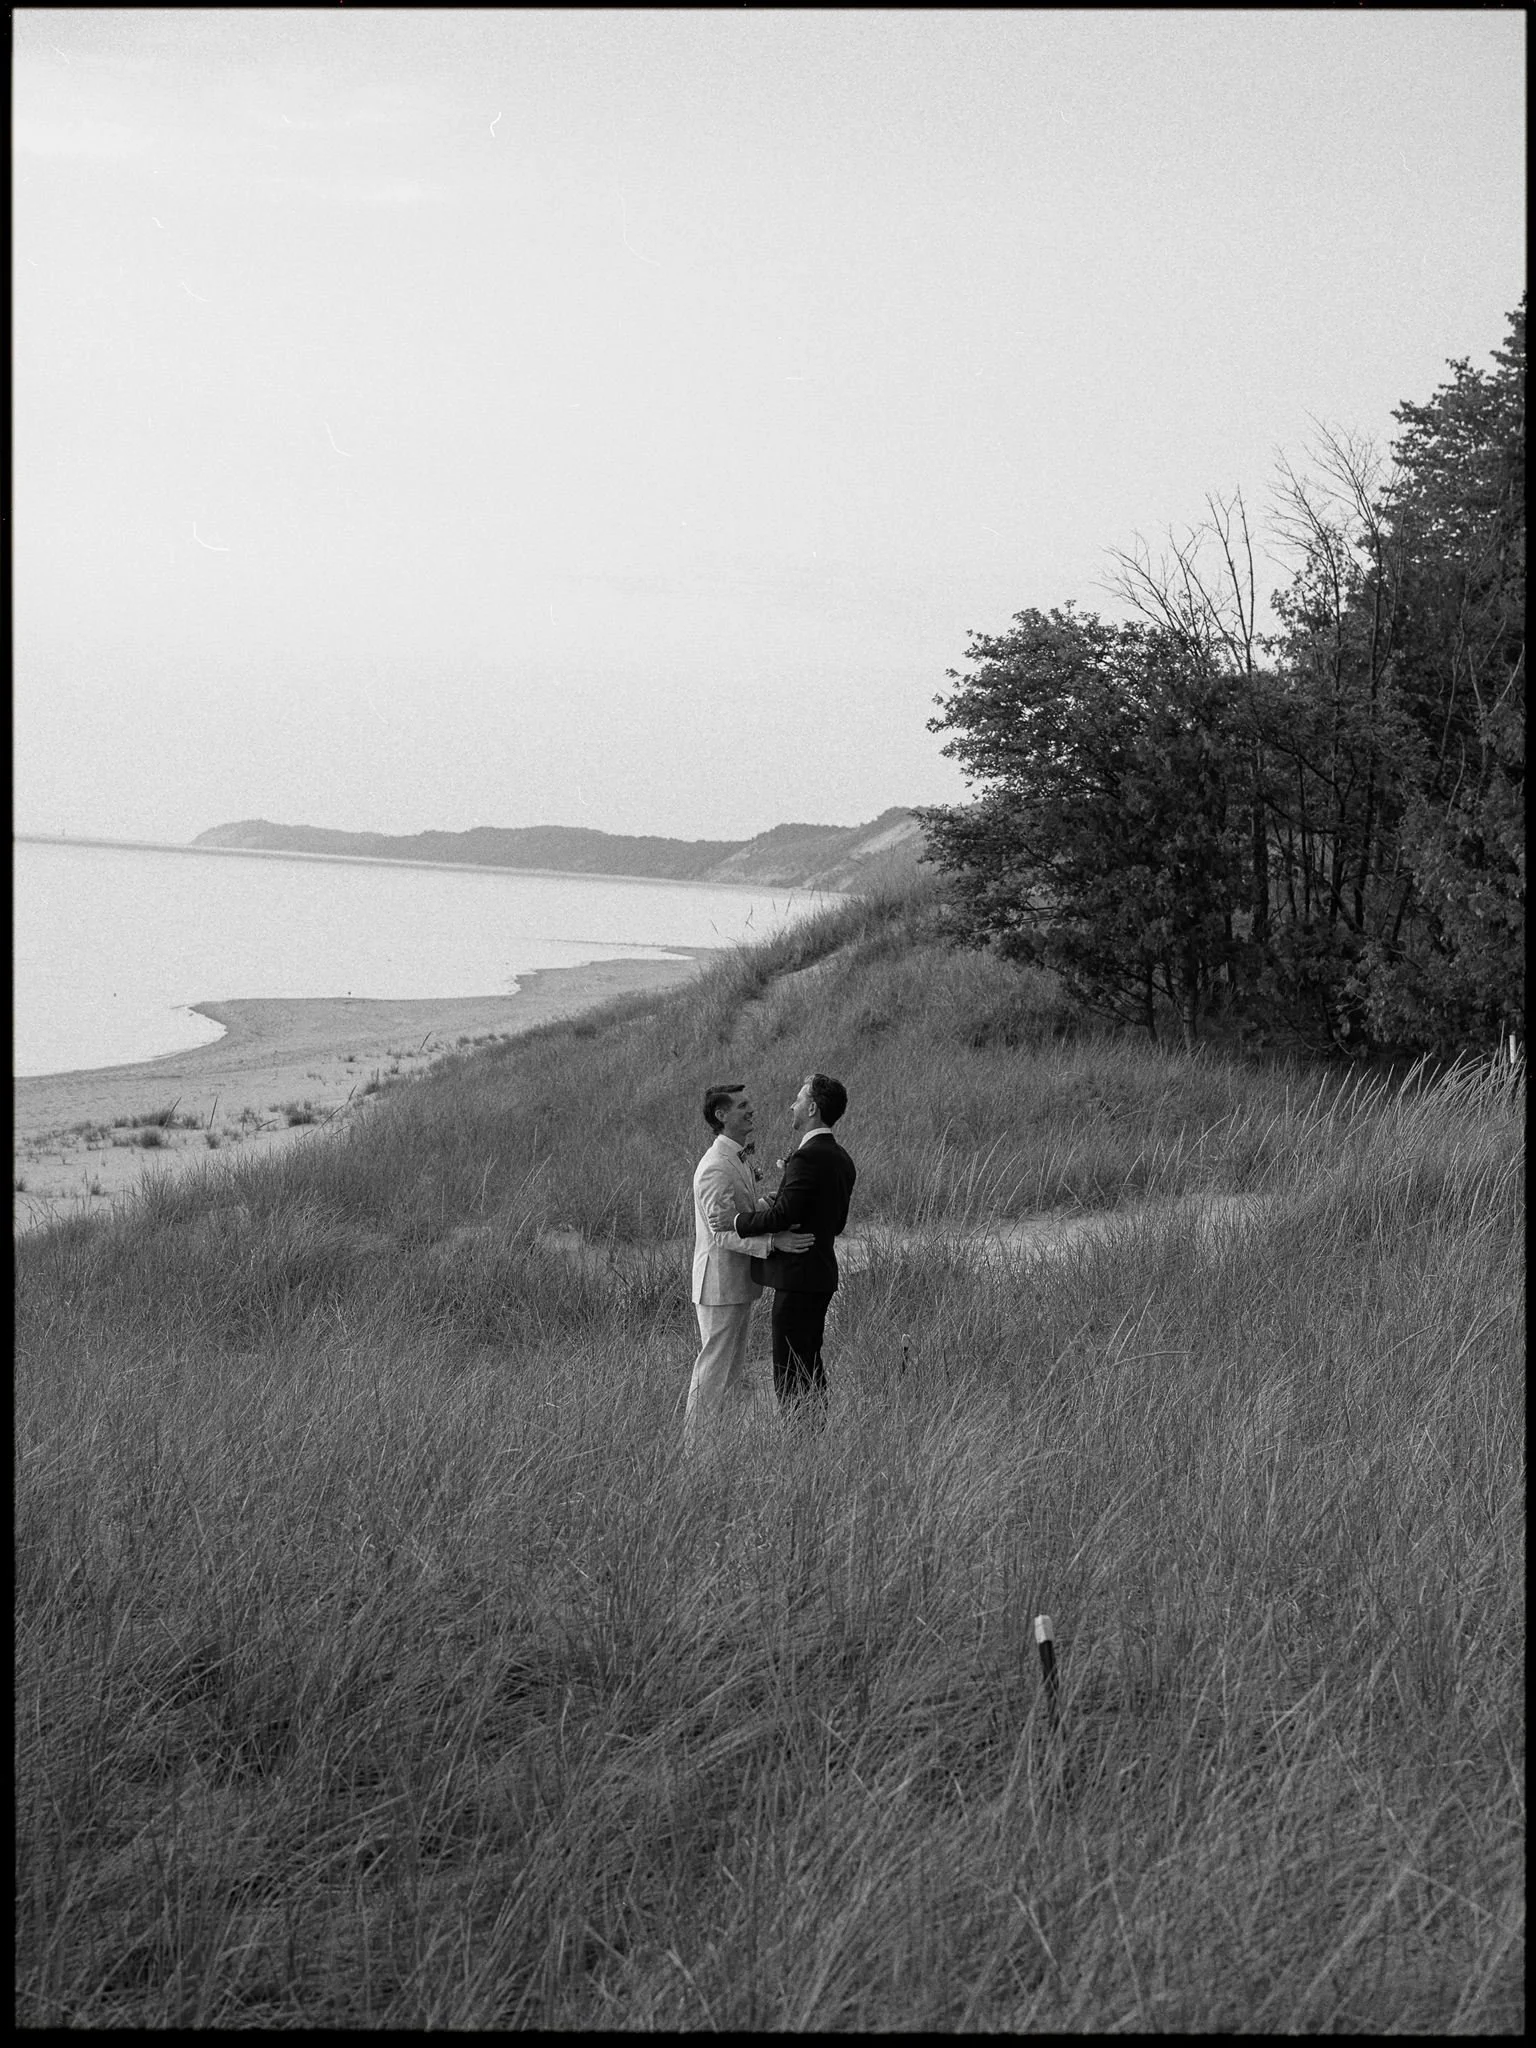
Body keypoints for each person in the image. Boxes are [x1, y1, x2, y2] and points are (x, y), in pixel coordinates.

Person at [687, 1082, 813, 1449]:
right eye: (742, 1106)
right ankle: (698, 1451)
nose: (751, 1111)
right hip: (718, 1283)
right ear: (721, 1116)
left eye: (749, 1105)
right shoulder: (714, 1166)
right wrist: (775, 1242)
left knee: (729, 1372)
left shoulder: (734, 1158)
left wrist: (764, 1204)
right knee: (712, 1371)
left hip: (736, 1281)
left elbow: (737, 1214)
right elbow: (723, 1232)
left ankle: (717, 1446)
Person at [732, 1072, 857, 1422]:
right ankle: (812, 1437)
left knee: (788, 1369)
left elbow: (785, 1215)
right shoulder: (842, 1158)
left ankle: (799, 1441)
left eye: (799, 1099)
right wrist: (784, 1199)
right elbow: (833, 1222)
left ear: (813, 1107)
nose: (792, 1105)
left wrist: (739, 1222)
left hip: (799, 1277)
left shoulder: (807, 1157)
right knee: (810, 1364)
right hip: (820, 1274)